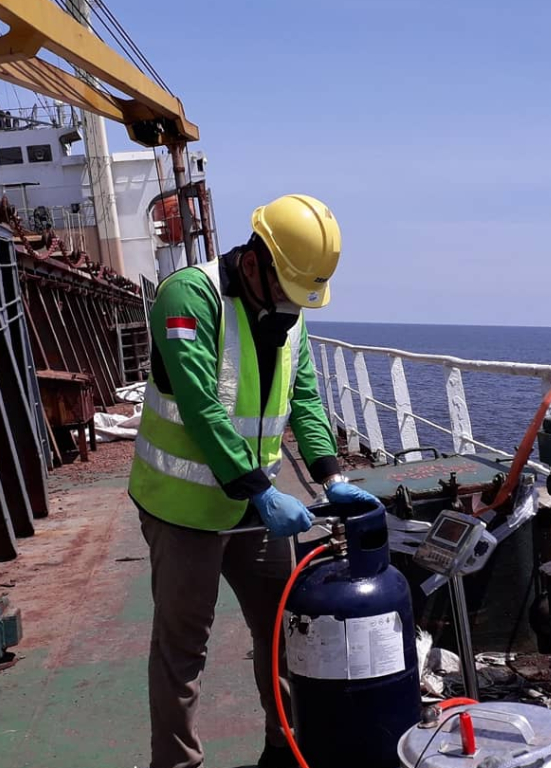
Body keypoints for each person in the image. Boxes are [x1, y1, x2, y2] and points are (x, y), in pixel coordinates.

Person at [128, 194, 378, 768]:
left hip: (254, 510)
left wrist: (331, 477)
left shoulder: (290, 308)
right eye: (286, 290)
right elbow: (200, 407)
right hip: (183, 508)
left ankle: (284, 749)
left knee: (284, 633)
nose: (292, 306)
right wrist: (262, 490)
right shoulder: (188, 297)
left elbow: (305, 398)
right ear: (252, 262)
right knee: (183, 648)